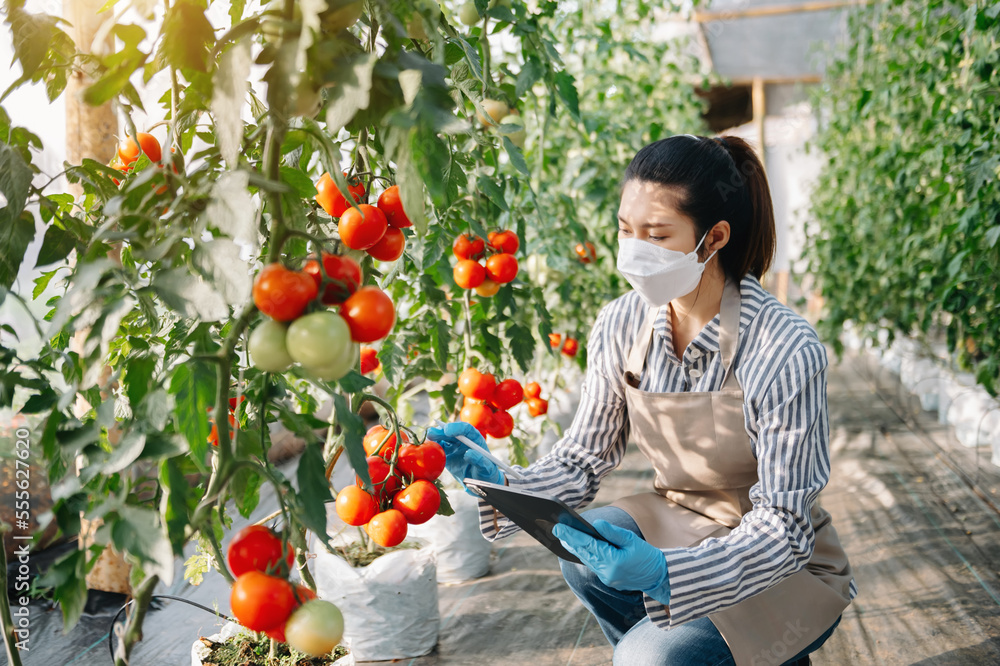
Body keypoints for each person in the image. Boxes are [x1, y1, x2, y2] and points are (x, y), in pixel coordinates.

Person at [428, 134, 856, 666]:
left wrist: (664, 574)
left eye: (656, 235)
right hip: (681, 518)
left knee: (644, 658)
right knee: (581, 554)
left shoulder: (783, 348)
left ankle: (750, 649)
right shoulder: (621, 322)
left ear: (714, 237)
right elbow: (584, 457)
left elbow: (785, 528)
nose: (633, 250)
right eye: (625, 231)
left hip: (777, 557)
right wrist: (499, 481)